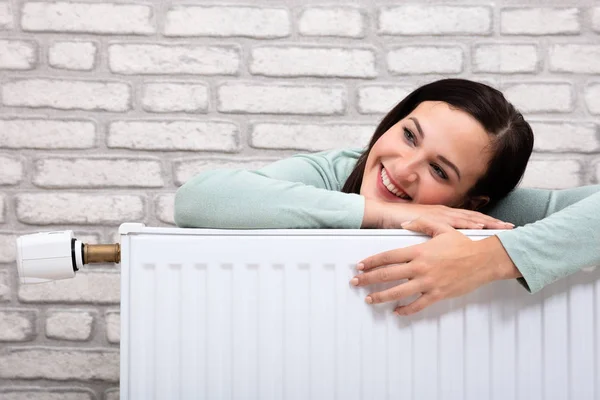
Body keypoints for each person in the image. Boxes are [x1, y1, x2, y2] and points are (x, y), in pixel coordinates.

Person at [174, 78, 600, 315]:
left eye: (438, 169)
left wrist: (486, 258)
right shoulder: (336, 172)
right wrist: (381, 215)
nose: (402, 168)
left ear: (472, 204)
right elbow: (199, 198)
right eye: (409, 135)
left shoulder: (482, 219)